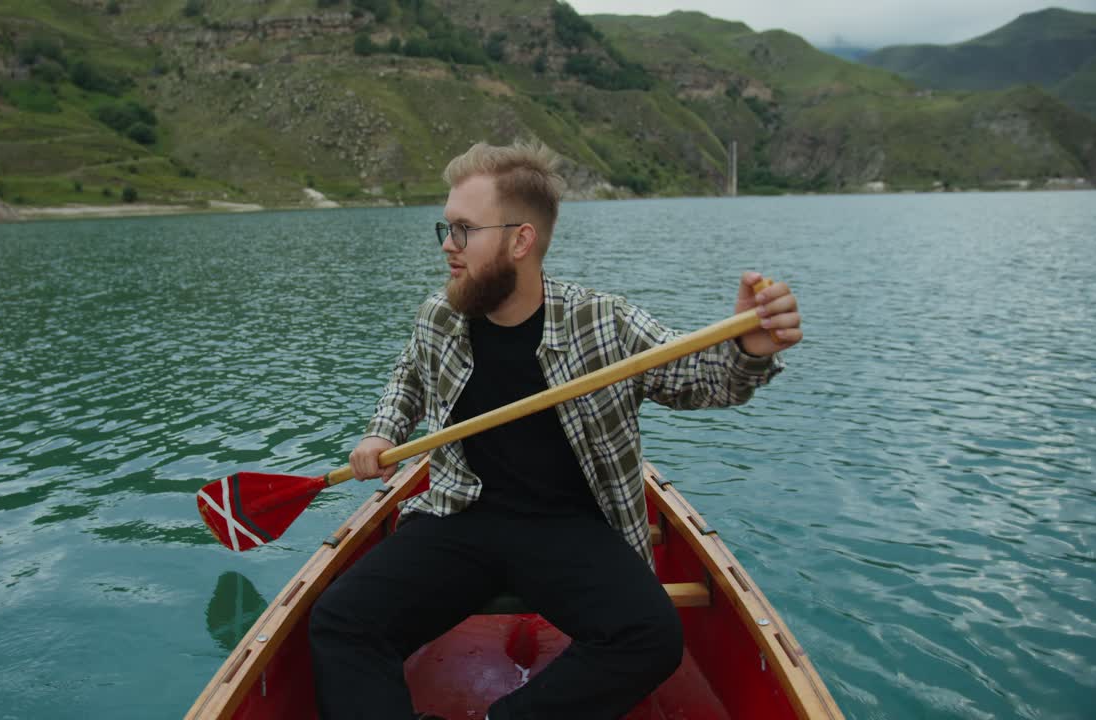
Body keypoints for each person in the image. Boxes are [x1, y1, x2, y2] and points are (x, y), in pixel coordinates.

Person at [309, 141, 802, 720]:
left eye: (464, 229)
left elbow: (695, 377)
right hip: (463, 515)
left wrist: (748, 349)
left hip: (572, 525)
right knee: (340, 621)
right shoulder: (440, 315)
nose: (447, 244)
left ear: (521, 240)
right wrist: (381, 432)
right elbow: (409, 379)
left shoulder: (600, 319)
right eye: (445, 227)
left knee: (652, 636)